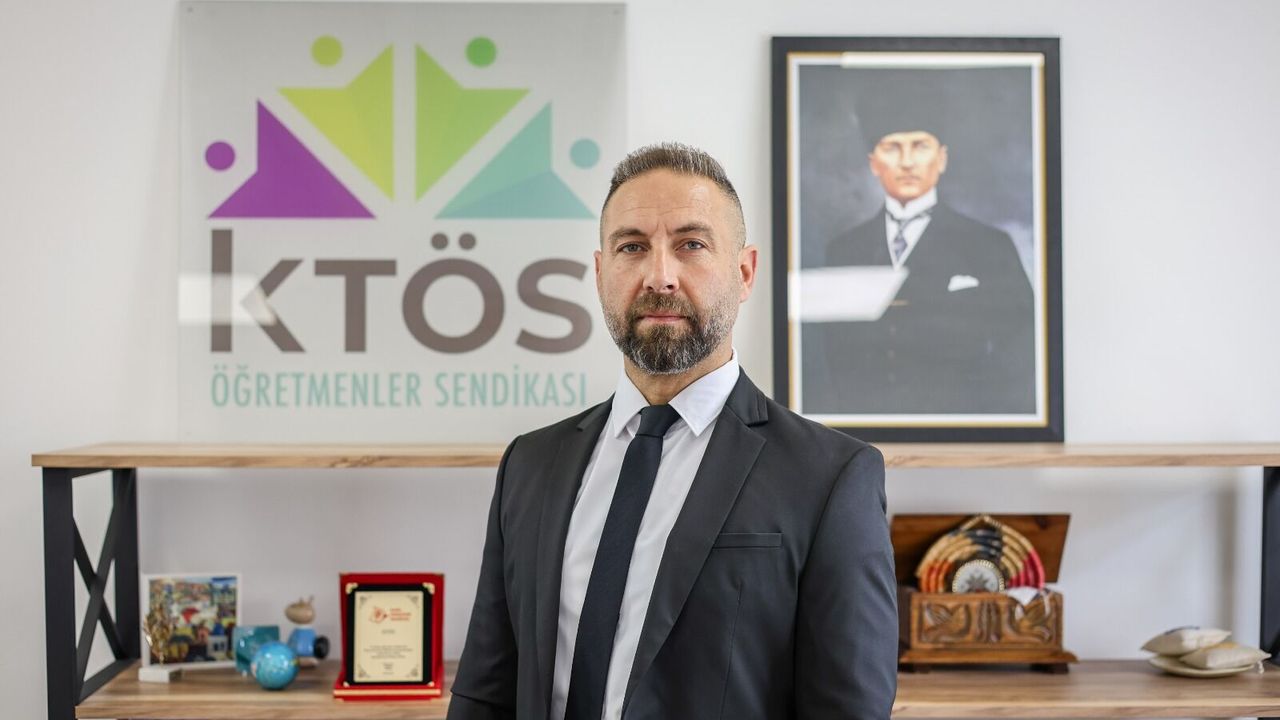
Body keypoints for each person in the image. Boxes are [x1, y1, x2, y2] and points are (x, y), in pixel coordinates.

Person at [448, 143, 897, 720]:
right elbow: (485, 692)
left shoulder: (830, 477)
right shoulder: (529, 464)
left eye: (691, 245)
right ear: (600, 273)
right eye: (632, 247)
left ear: (744, 273)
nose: (660, 276)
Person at [806, 119, 1035, 415]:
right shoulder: (844, 250)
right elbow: (833, 354)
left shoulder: (990, 246)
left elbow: (1020, 347)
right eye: (892, 147)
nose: (907, 162)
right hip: (865, 426)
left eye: (920, 146)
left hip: (962, 424)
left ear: (942, 159)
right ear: (874, 163)